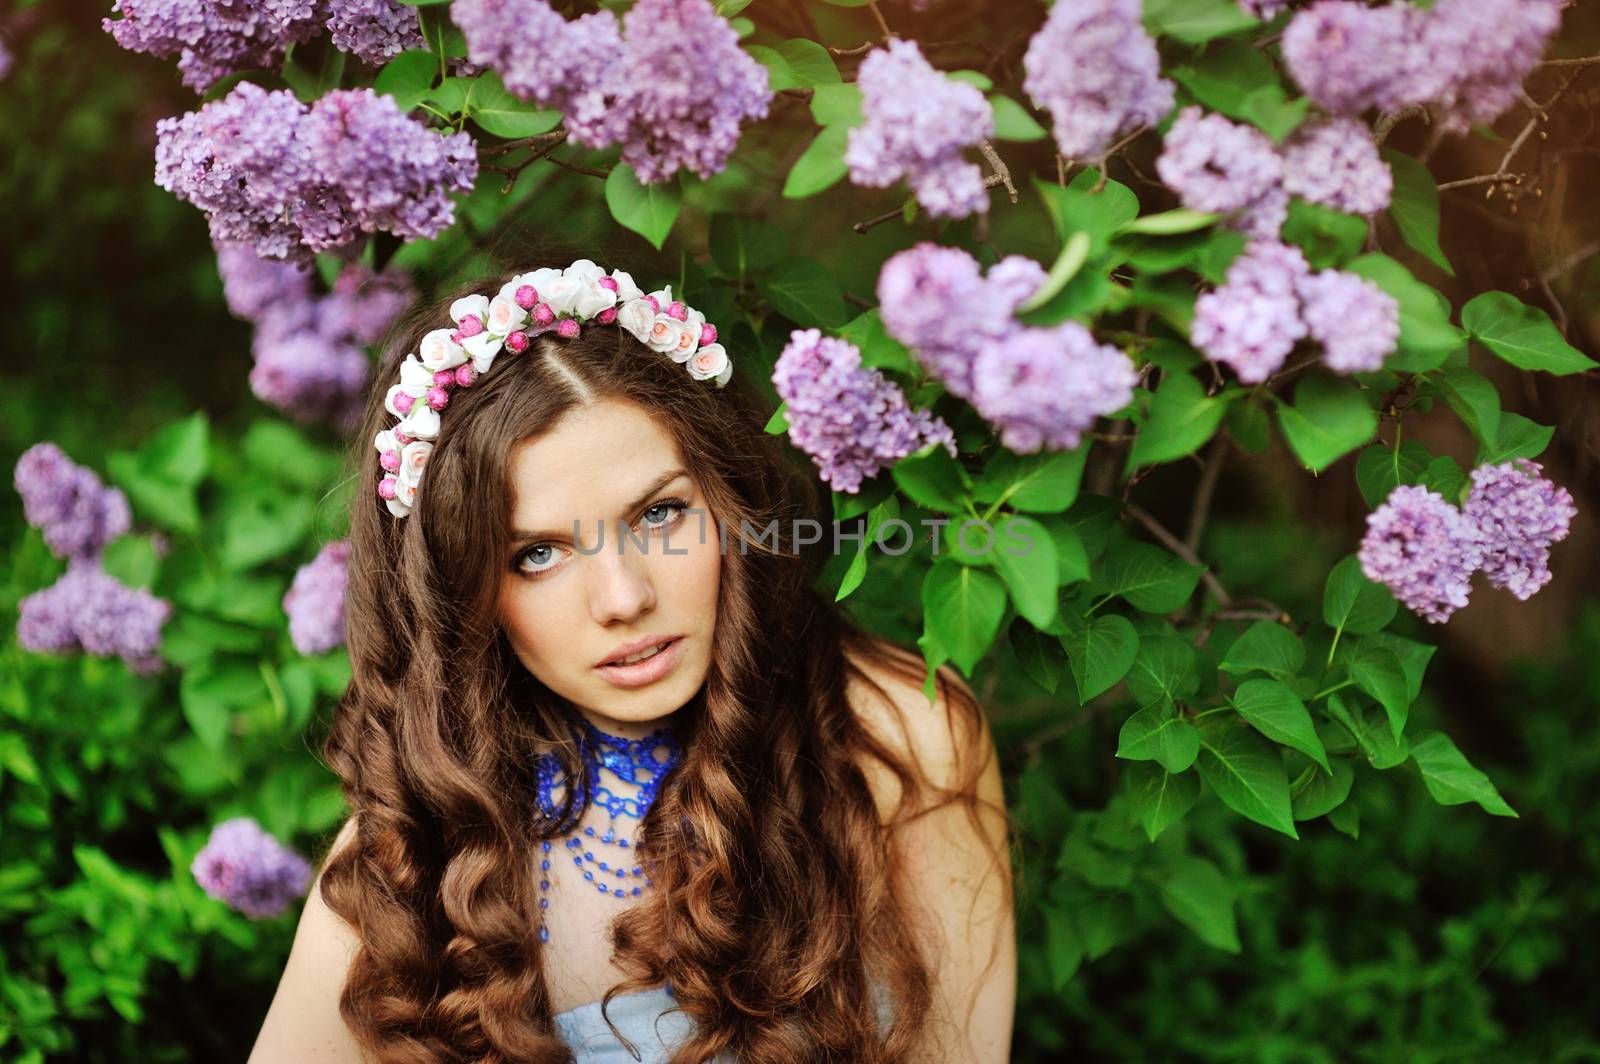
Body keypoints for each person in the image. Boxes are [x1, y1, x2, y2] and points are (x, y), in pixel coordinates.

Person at [247, 258, 1015, 1063]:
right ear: (462, 595)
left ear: (729, 500)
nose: (622, 597)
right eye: (537, 555)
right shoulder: (420, 852)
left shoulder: (903, 736)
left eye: (660, 513)